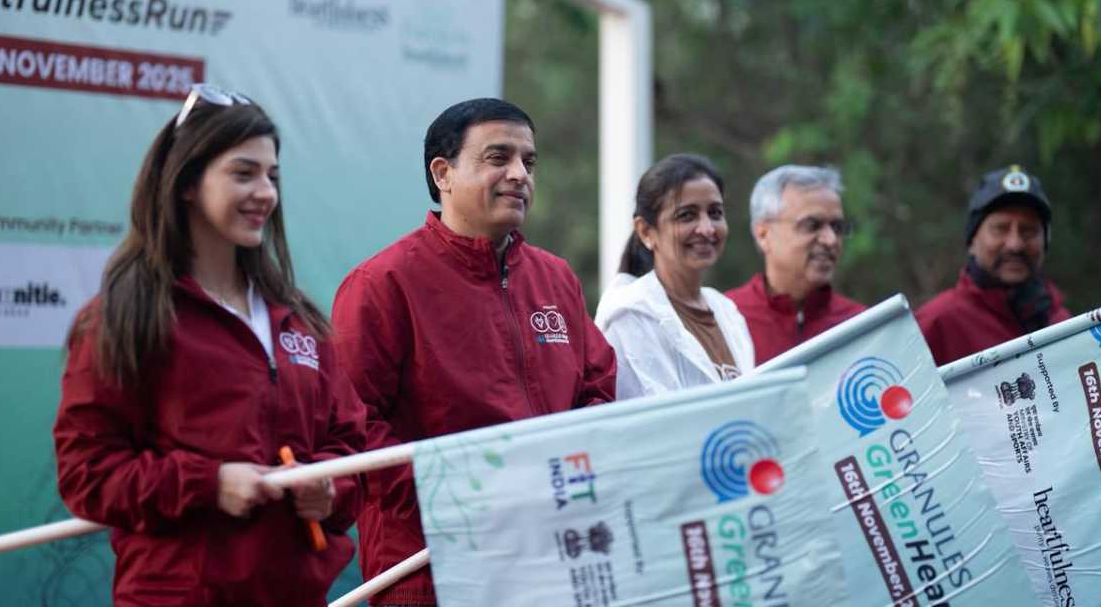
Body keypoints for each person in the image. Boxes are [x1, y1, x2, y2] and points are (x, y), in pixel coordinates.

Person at [53, 85, 366, 607]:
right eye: (243, 174)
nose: (265, 192)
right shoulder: (125, 316)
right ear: (186, 183)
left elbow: (350, 444)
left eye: (272, 176)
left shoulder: (297, 319)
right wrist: (210, 485)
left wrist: (329, 488)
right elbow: (87, 473)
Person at [331, 97, 616, 606]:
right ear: (442, 173)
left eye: (529, 161)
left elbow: (597, 390)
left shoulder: (555, 278)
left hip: (551, 556)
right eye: (498, 157)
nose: (519, 174)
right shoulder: (383, 283)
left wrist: (562, 479)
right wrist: (459, 501)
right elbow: (353, 424)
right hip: (432, 569)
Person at [595, 154, 755, 398]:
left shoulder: (727, 311)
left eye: (715, 213)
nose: (706, 228)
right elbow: (653, 416)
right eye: (687, 215)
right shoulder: (630, 316)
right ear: (646, 231)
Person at [916, 165, 1070, 365]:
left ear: (1045, 242)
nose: (1015, 244)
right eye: (1001, 229)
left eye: (1028, 230)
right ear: (972, 240)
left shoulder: (1064, 325)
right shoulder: (934, 324)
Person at [725, 165, 864, 361]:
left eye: (837, 227)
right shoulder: (726, 320)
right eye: (812, 225)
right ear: (763, 234)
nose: (831, 240)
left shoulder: (862, 325)